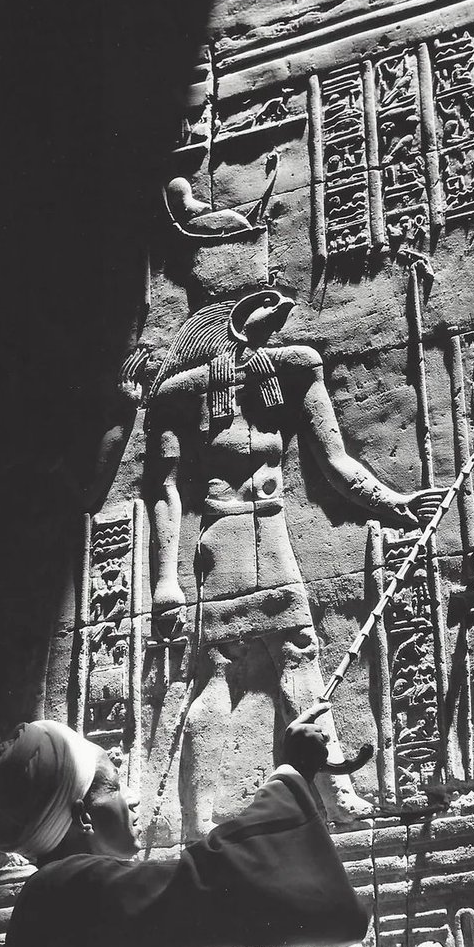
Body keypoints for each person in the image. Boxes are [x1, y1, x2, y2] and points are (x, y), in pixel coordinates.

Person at [146, 287, 445, 835]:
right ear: (235, 316)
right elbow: (163, 489)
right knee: (221, 671)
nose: (281, 310)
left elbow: (333, 460)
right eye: (265, 302)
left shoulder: (292, 369)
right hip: (224, 537)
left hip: (273, 527)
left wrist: (394, 503)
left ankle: (336, 791)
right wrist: (165, 579)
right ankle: (199, 817)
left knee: (298, 651)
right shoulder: (180, 392)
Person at [0, 706, 368, 947]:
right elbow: (203, 889)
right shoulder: (70, 887)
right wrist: (291, 776)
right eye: (113, 785)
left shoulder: (58, 889)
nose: (132, 796)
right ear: (81, 816)